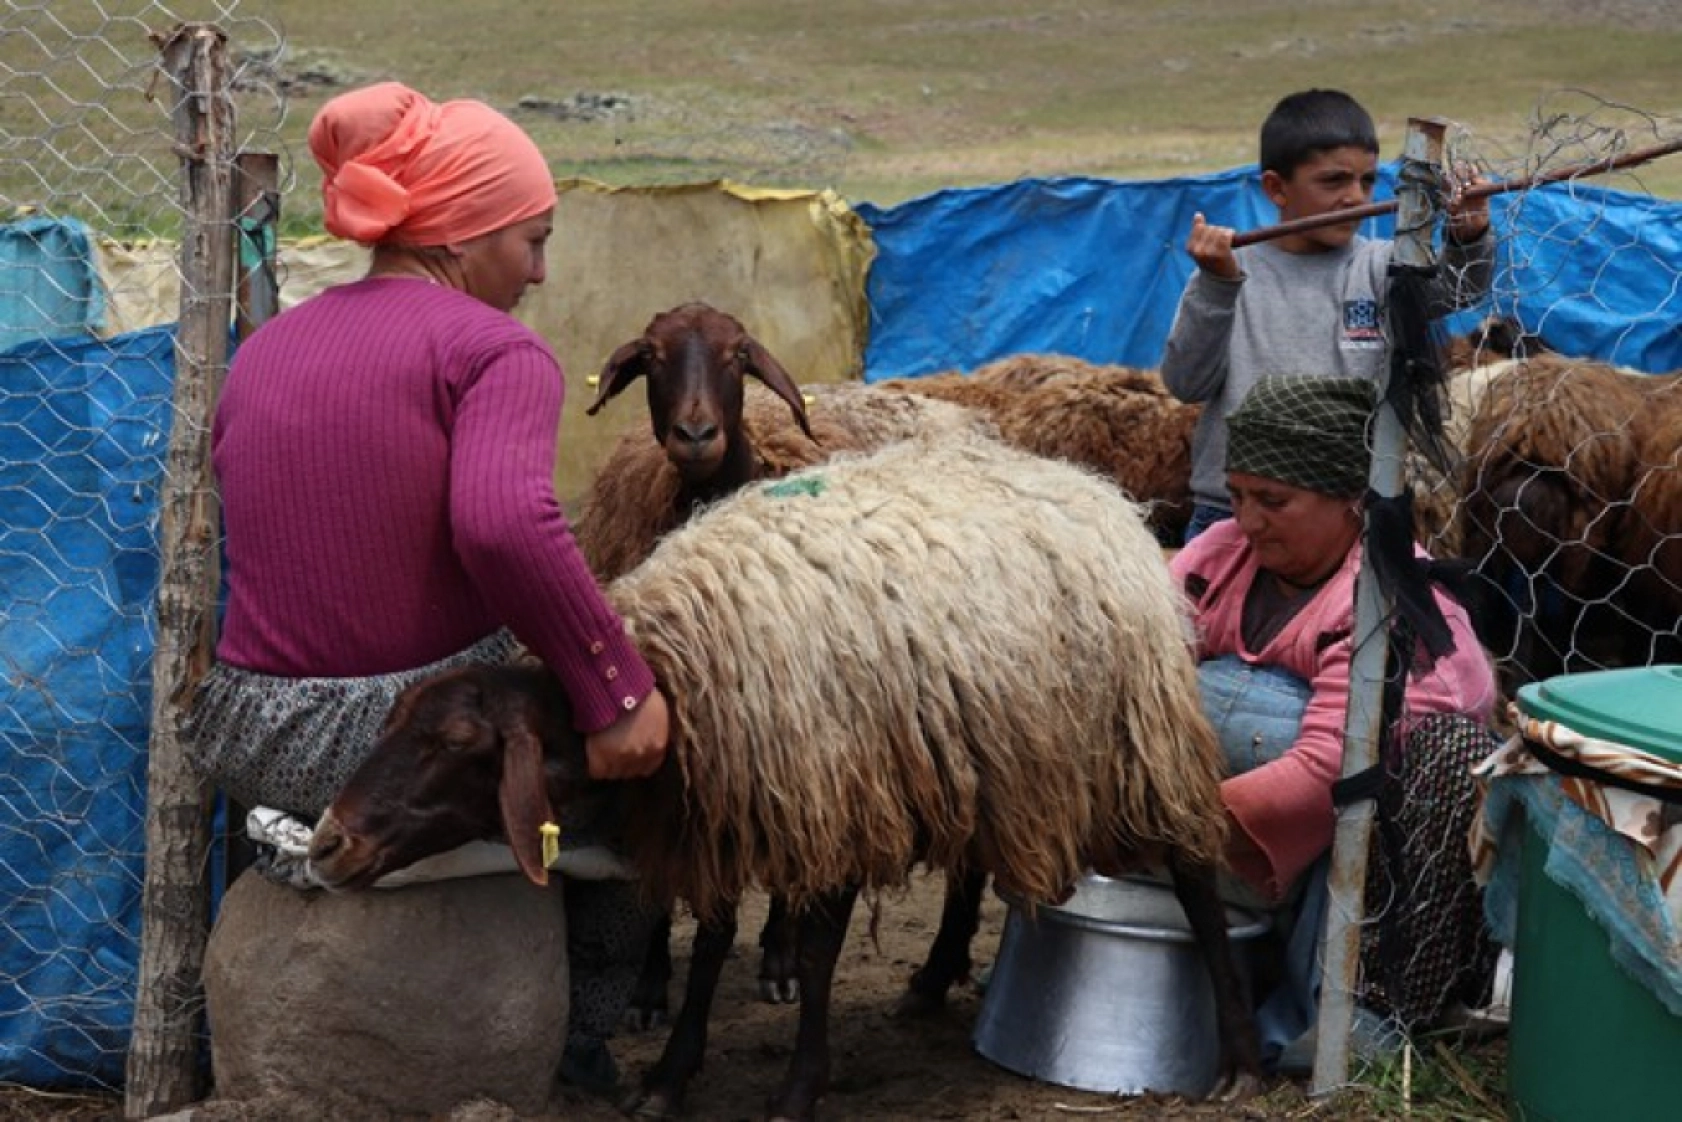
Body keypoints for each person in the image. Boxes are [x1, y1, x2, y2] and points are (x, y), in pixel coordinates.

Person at [186, 80, 667, 1095]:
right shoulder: (494, 349)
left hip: (243, 729)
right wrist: (618, 689)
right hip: (386, 731)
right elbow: (503, 526)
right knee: (650, 807)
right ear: (464, 232)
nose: (538, 273)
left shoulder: (268, 348)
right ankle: (579, 1039)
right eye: (530, 240)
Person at [1170, 375, 1500, 1073]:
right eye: (1235, 496)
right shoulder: (1218, 559)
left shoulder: (1399, 606)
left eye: (1273, 500)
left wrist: (1164, 826)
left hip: (1365, 871)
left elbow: (1330, 766)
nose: (1248, 520)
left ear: (1352, 498)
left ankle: (1364, 1011)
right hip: (1231, 851)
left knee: (1441, 755)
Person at [1161, 88, 1493, 543]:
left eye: (1367, 181)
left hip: (1348, 513)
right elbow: (1185, 382)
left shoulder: (1380, 267)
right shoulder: (1231, 273)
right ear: (1277, 188)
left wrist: (1469, 236)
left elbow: (1458, 290)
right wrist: (1216, 285)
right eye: (1333, 181)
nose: (1354, 198)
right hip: (1236, 515)